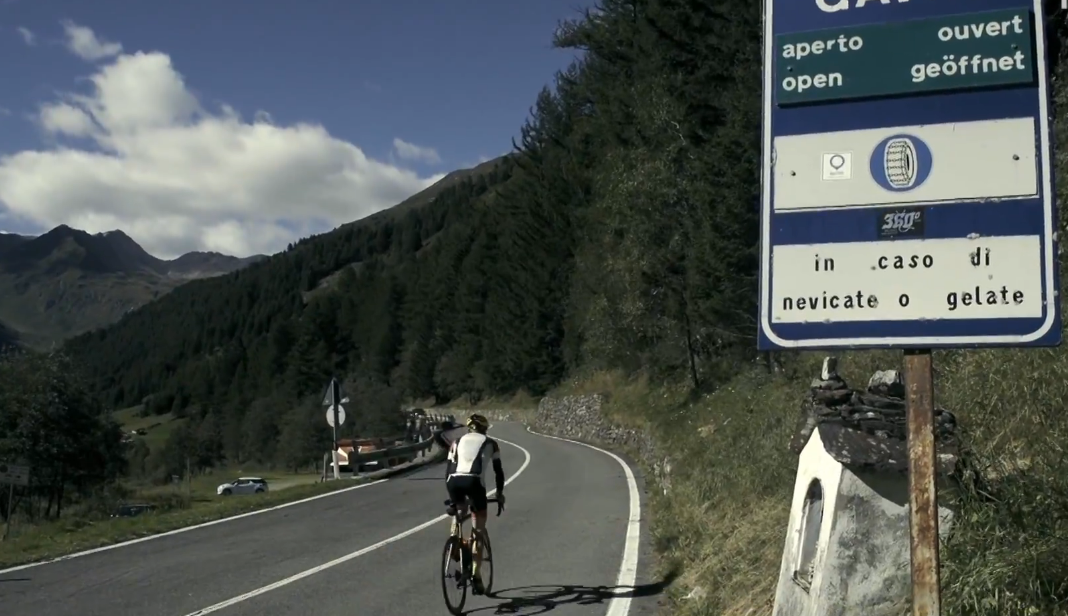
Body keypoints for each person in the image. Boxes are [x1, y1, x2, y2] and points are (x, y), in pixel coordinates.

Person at [445, 413, 505, 595]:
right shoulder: (491, 443)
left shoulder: (456, 442)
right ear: (485, 429)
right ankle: (476, 574)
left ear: (469, 428)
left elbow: (449, 469)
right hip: (474, 483)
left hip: (453, 482)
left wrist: (453, 499)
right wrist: (500, 494)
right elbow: (498, 472)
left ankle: (454, 541)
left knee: (459, 510)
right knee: (478, 529)